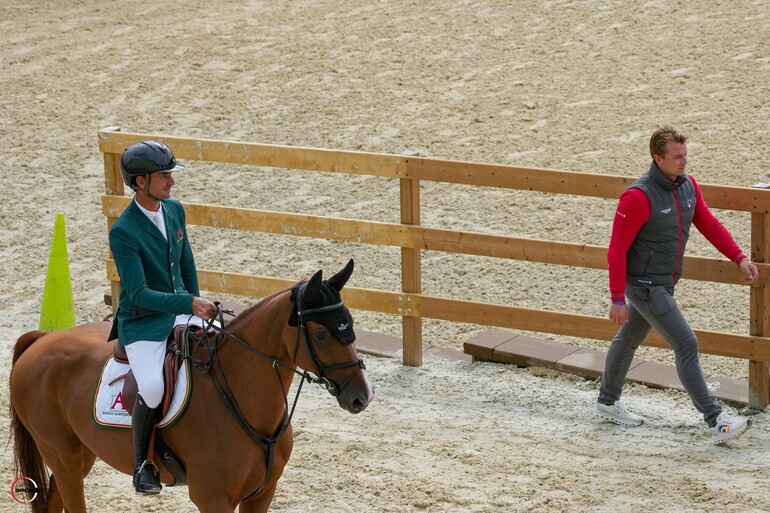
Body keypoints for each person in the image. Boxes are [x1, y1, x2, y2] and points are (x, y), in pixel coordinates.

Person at [596, 127, 759, 444]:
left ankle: (607, 401)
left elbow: (709, 224)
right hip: (644, 285)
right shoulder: (638, 196)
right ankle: (715, 419)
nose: (684, 161)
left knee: (629, 337)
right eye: (677, 157)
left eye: (686, 155)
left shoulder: (687, 187)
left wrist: (738, 257)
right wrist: (617, 298)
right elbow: (616, 250)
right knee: (686, 343)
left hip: (663, 283)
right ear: (658, 159)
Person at [109, 140, 218, 494]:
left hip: (181, 310)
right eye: (164, 175)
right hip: (142, 322)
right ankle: (142, 465)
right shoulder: (123, 231)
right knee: (154, 388)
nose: (171, 181)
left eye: (171, 174)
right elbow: (138, 293)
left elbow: (186, 263)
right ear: (140, 182)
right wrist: (188, 304)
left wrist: (199, 305)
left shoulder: (174, 211)